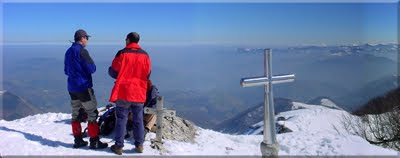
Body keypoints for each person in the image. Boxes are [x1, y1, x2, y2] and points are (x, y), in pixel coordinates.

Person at [64, 29, 108, 149]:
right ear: (82, 38)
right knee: (92, 113)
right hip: (83, 87)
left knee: (76, 113)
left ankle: (78, 140)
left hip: (72, 87)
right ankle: (94, 141)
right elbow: (92, 68)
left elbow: (66, 71)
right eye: (86, 38)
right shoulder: (82, 51)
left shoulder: (68, 52)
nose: (87, 40)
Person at [108, 32, 151, 155]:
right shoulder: (145, 55)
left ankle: (119, 146)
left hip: (124, 91)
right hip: (138, 91)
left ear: (128, 40)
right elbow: (148, 74)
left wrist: (118, 73)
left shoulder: (122, 53)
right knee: (138, 119)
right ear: (137, 41)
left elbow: (113, 71)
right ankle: (139, 145)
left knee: (121, 119)